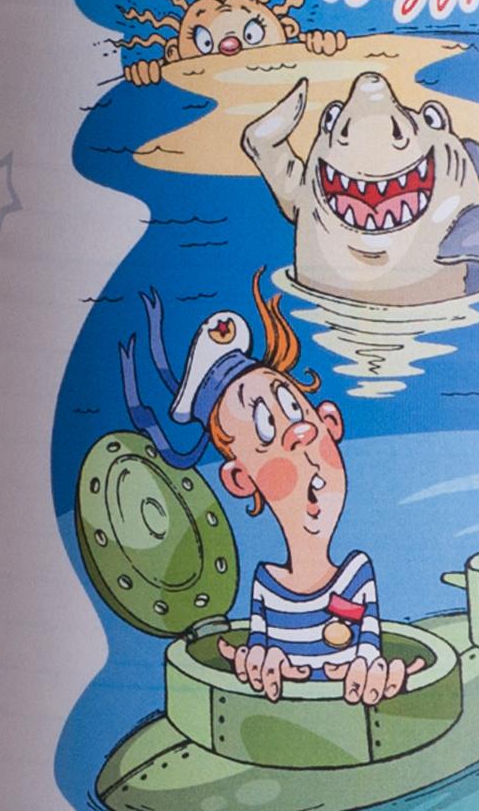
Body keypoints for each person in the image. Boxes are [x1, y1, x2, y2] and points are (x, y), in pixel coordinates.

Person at [164, 270, 421, 706]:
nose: (298, 434)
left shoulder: (357, 575)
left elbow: (368, 651)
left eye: (295, 409)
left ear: (330, 422)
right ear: (241, 479)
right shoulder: (266, 587)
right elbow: (259, 654)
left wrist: (376, 670)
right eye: (266, 427)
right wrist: (255, 663)